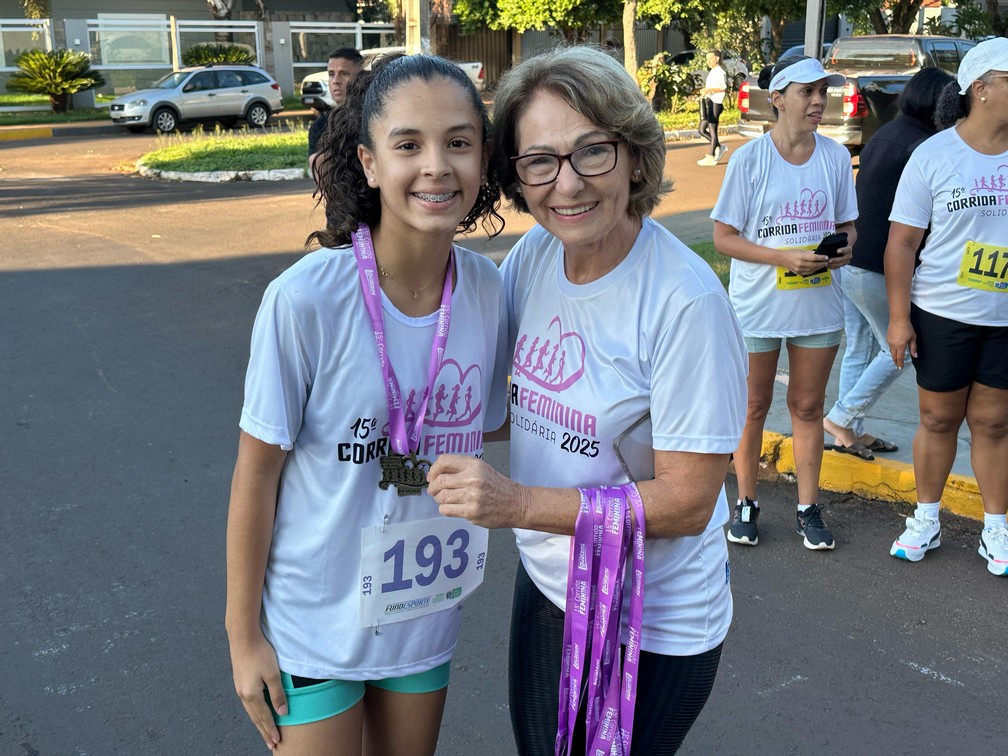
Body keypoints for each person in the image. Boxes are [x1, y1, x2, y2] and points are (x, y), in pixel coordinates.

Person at [427, 46, 748, 754]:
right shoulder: (537, 259)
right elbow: (512, 404)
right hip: (551, 581)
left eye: (590, 152)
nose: (565, 185)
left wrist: (515, 506)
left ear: (633, 155)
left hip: (652, 622)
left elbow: (689, 503)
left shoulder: (684, 302)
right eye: (539, 160)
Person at [225, 54, 509, 754]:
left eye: (459, 142)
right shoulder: (306, 300)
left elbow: (492, 426)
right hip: (313, 623)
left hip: (422, 620)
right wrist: (243, 638)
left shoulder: (488, 293)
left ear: (482, 159)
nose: (437, 165)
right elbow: (256, 474)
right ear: (370, 162)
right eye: (408, 144)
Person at [711, 56, 857, 550]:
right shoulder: (751, 160)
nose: (819, 102)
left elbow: (848, 228)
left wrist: (839, 253)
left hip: (818, 304)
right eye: (807, 93)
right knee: (752, 406)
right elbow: (723, 238)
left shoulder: (836, 158)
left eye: (824, 93)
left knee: (808, 406)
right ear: (777, 99)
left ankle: (807, 508)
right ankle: (746, 503)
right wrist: (781, 257)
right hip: (757, 307)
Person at [884, 37, 1008, 575]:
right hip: (942, 311)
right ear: (981, 88)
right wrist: (897, 317)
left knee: (995, 422)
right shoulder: (934, 155)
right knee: (937, 418)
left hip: (1003, 320)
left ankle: (997, 528)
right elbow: (902, 243)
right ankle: (926, 517)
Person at [823, 68, 954, 460]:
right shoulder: (922, 145)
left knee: (860, 348)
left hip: (851, 261)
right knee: (900, 348)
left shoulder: (888, 132)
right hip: (877, 266)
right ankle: (843, 417)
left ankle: (849, 432)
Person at [308, 48, 364, 179]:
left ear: (361, 77)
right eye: (331, 74)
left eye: (344, 73)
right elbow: (320, 171)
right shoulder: (321, 125)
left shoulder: (375, 116)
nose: (336, 81)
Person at [697, 50, 729, 166]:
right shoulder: (713, 72)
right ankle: (719, 147)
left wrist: (709, 90)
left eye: (710, 59)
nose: (708, 61)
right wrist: (704, 93)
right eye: (707, 59)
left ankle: (711, 156)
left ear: (717, 58)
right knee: (701, 129)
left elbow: (723, 88)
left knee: (712, 129)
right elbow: (711, 88)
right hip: (710, 102)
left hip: (716, 103)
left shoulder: (720, 72)